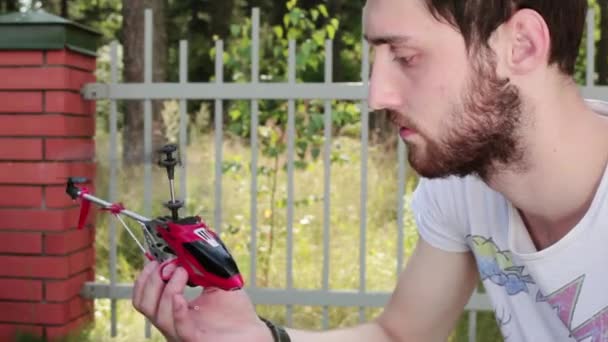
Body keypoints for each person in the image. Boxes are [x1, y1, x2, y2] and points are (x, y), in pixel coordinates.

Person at [132, 0, 608, 340]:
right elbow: (401, 334)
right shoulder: (465, 185)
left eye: (405, 57)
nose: (377, 95)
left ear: (521, 46)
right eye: (376, 57)